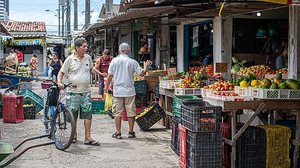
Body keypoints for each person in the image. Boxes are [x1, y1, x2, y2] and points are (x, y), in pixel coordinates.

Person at [57, 37, 100, 146]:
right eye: (84, 46)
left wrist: (100, 72)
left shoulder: (88, 58)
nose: (86, 48)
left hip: (86, 92)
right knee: (73, 116)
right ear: (77, 48)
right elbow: (61, 73)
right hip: (73, 92)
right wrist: (59, 82)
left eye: (87, 46)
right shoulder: (70, 59)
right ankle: (74, 136)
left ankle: (88, 137)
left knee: (88, 115)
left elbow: (91, 69)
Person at [104, 43, 152, 139]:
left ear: (119, 50)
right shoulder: (132, 62)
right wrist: (146, 67)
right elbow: (141, 74)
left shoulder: (114, 61)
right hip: (129, 90)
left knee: (117, 112)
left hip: (117, 90)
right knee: (131, 112)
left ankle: (118, 133)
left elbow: (109, 75)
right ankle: (130, 132)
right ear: (128, 50)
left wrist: (106, 87)